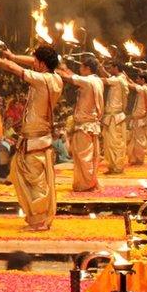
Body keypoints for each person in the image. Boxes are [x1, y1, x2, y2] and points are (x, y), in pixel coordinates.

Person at [0, 45, 63, 231]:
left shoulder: (41, 80)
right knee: (23, 173)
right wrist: (13, 55)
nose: (33, 63)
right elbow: (27, 63)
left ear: (41, 64)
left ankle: (39, 220)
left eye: (35, 61)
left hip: (35, 138)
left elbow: (16, 70)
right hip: (37, 135)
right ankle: (37, 217)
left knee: (35, 180)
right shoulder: (56, 78)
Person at [56, 56, 105, 192]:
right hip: (91, 124)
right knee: (89, 156)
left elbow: (69, 78)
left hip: (85, 125)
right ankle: (89, 182)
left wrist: (55, 67)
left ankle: (86, 185)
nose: (79, 69)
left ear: (88, 69)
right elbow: (74, 76)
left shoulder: (88, 81)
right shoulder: (97, 80)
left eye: (82, 67)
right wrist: (65, 67)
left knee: (84, 157)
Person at [98, 62, 131, 174]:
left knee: (115, 143)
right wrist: (101, 68)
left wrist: (91, 78)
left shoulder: (118, 80)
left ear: (116, 67)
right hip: (113, 116)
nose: (109, 70)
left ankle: (117, 167)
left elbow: (104, 80)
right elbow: (108, 77)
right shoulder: (119, 79)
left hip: (115, 116)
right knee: (110, 142)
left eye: (111, 67)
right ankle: (113, 166)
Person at [126, 72, 147, 166]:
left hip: (140, 117)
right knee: (133, 138)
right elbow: (133, 84)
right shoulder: (143, 88)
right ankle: (134, 159)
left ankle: (139, 159)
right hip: (136, 117)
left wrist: (146, 115)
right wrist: (126, 76)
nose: (136, 81)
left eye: (138, 79)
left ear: (143, 80)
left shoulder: (144, 88)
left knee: (139, 140)